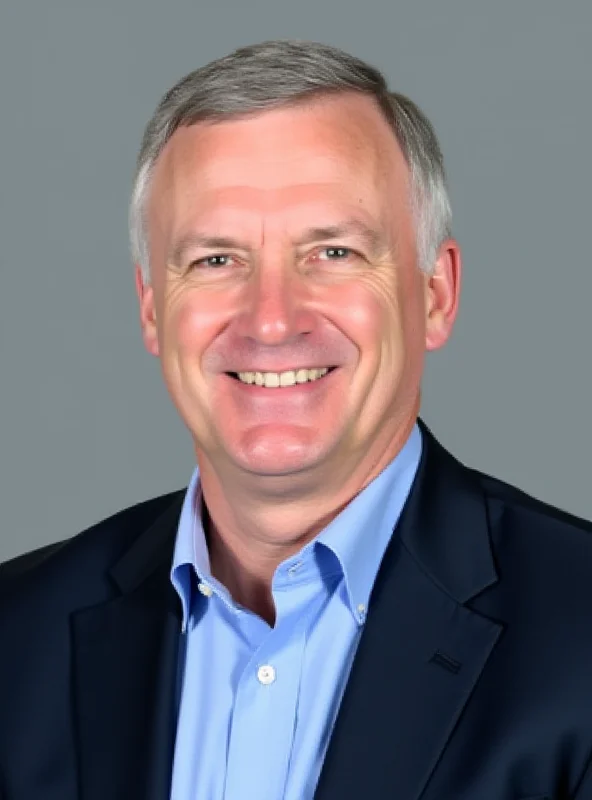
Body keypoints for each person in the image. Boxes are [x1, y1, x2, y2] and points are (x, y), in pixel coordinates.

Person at [1, 38, 592, 800]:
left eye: (334, 252)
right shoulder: (16, 638)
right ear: (153, 308)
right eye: (216, 260)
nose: (271, 320)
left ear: (435, 294)